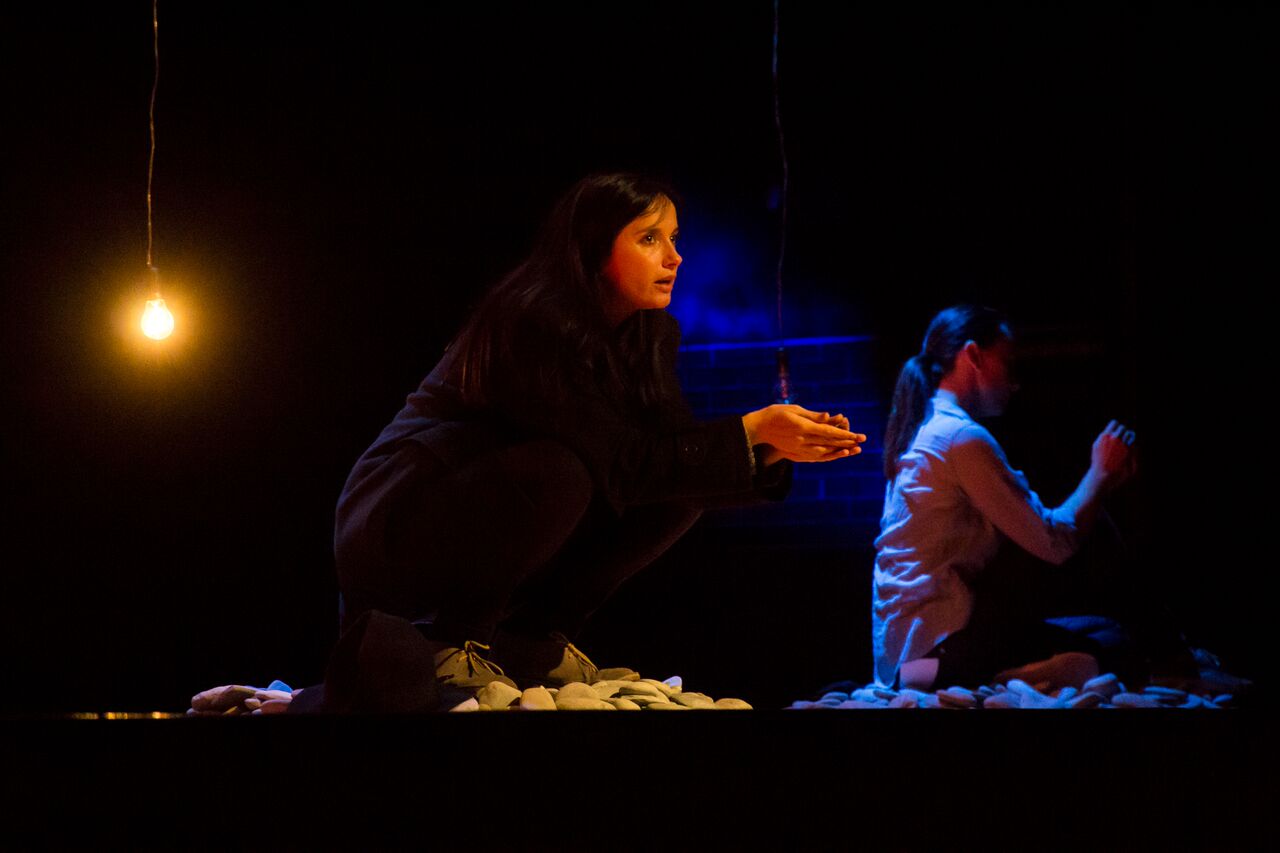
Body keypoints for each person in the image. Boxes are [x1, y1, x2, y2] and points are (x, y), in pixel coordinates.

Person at [335, 173, 866, 693]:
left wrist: (766, 448)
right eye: (649, 238)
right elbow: (621, 461)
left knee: (682, 488)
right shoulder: (534, 321)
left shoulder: (648, 334)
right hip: (400, 518)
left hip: (488, 510)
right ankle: (450, 639)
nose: (675, 258)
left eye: (673, 238)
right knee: (561, 471)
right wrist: (748, 431)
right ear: (592, 247)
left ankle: (531, 640)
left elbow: (674, 456)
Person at [871, 305, 1136, 691]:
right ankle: (992, 674)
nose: (1014, 383)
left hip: (904, 653)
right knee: (1115, 643)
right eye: (1008, 363)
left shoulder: (919, 430)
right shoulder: (960, 437)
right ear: (974, 355)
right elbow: (1054, 541)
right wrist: (1100, 474)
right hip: (946, 645)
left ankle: (997, 671)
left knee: (1100, 629)